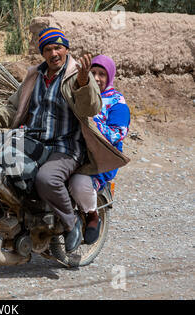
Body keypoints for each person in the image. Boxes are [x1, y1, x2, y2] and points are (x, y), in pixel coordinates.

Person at [0, 27, 129, 254]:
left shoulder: (78, 75)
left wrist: (84, 84)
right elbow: (12, 107)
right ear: (43, 53)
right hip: (33, 140)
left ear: (66, 48)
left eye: (58, 47)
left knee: (47, 179)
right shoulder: (34, 76)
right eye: (48, 49)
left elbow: (91, 108)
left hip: (66, 147)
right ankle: (6, 217)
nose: (54, 53)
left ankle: (71, 222)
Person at [68, 55, 130, 245]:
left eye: (102, 74)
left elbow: (117, 134)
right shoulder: (79, 93)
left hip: (100, 158)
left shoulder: (117, 102)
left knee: (79, 183)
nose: (96, 78)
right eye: (92, 72)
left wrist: (91, 123)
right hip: (73, 150)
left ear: (110, 76)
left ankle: (92, 215)